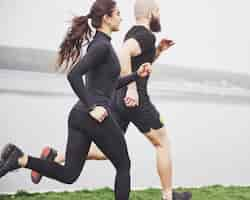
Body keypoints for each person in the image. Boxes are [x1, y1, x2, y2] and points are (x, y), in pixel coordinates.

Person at [31, 0, 192, 199]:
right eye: (158, 11)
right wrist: (132, 89)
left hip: (115, 99)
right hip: (135, 100)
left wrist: (157, 52)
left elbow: (135, 61)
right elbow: (124, 53)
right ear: (151, 13)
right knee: (162, 143)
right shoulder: (146, 35)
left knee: (107, 150)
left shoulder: (133, 34)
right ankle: (168, 196)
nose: (159, 14)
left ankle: (56, 158)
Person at [0, 0, 152, 199]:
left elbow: (108, 85)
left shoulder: (101, 45)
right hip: (93, 115)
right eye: (118, 13)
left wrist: (136, 76)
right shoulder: (101, 47)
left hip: (79, 116)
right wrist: (92, 108)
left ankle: (20, 158)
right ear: (106, 18)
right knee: (124, 165)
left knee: (69, 174)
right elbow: (74, 75)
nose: (121, 17)